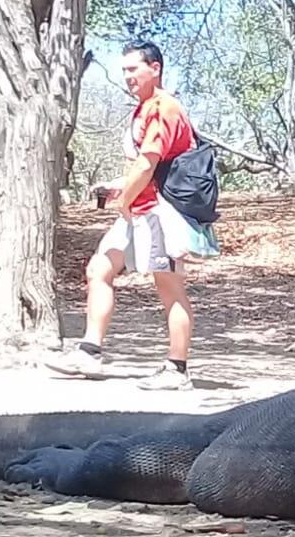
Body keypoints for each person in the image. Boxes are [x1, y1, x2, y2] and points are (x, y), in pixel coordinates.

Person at [47, 41, 218, 391]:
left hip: (157, 213)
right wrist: (121, 189)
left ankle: (177, 370)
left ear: (154, 68)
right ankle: (89, 352)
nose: (127, 76)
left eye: (133, 69)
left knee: (169, 287)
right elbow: (142, 166)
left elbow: (148, 162)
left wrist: (124, 198)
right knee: (99, 269)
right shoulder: (143, 109)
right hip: (137, 211)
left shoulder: (162, 107)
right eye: (124, 70)